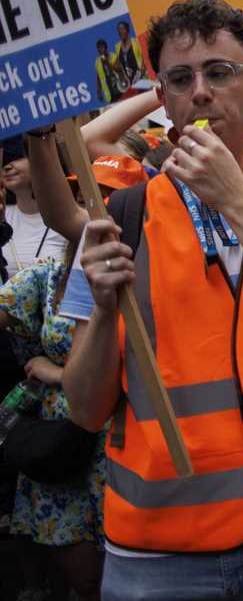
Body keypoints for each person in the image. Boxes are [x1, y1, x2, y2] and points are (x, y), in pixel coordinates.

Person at [61, 0, 243, 598]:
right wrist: (107, 303)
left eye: (220, 73)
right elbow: (86, 411)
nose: (201, 92)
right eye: (180, 78)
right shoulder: (120, 217)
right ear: (162, 97)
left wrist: (236, 202)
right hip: (157, 546)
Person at [1, 239, 106, 601]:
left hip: (118, 442)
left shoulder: (147, 270)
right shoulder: (49, 276)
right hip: (60, 444)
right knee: (85, 578)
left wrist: (59, 375)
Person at [2, 137, 69, 276]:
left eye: (17, 157)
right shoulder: (2, 216)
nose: (7, 166)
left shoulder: (70, 217)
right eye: (3, 161)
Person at [111, 21, 144, 88]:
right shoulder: (117, 47)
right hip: (129, 83)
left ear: (127, 30)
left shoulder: (136, 42)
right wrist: (110, 64)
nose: (120, 31)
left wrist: (139, 76)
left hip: (141, 79)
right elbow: (118, 66)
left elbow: (144, 61)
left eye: (122, 29)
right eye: (119, 30)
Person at [94, 39, 125, 103]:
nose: (100, 50)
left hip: (118, 88)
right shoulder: (97, 62)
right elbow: (98, 78)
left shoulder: (113, 56)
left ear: (106, 47)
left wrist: (107, 62)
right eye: (98, 48)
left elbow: (119, 69)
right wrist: (98, 92)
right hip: (109, 93)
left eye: (102, 47)